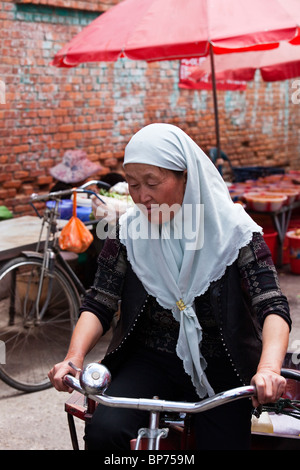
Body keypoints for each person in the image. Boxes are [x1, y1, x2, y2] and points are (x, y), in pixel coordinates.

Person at [48, 123, 291, 450]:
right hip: (149, 358)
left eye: (151, 182)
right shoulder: (127, 233)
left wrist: (268, 369)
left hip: (221, 362)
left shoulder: (236, 232)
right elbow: (99, 302)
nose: (141, 195)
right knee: (106, 430)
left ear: (186, 178)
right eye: (132, 184)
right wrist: (73, 358)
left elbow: (272, 305)